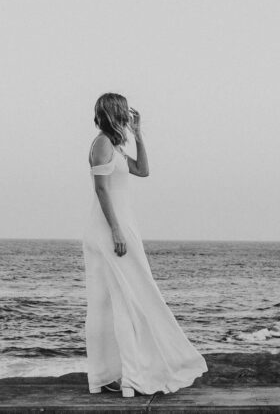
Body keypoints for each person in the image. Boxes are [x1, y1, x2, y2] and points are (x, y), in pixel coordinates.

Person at [82, 92, 207, 397]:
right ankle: (125, 377)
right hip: (110, 229)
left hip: (122, 227)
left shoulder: (114, 146)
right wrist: (116, 232)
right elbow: (101, 191)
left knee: (129, 299)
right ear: (114, 113)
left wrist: (138, 135)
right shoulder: (101, 143)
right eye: (125, 112)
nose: (128, 116)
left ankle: (119, 375)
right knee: (120, 301)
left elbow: (143, 170)